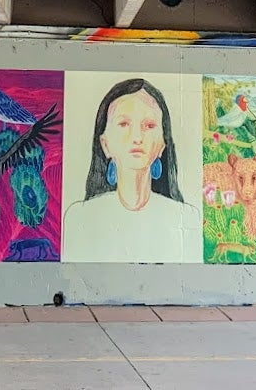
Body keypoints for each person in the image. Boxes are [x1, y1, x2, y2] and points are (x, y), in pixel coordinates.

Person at [62, 78, 196, 262]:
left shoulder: (187, 218)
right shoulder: (79, 218)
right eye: (124, 124)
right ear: (105, 144)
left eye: (149, 126)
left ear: (162, 145)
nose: (137, 137)